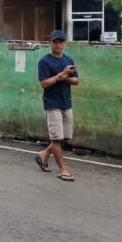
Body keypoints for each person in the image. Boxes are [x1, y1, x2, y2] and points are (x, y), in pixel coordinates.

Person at [36, 30, 79, 181]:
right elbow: (44, 83)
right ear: (50, 43)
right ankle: (62, 170)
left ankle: (45, 154)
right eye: (55, 41)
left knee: (65, 136)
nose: (58, 44)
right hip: (52, 103)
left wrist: (65, 77)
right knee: (56, 138)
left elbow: (76, 81)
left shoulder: (68, 59)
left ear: (65, 43)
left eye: (61, 41)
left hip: (66, 102)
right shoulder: (44, 61)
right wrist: (60, 76)